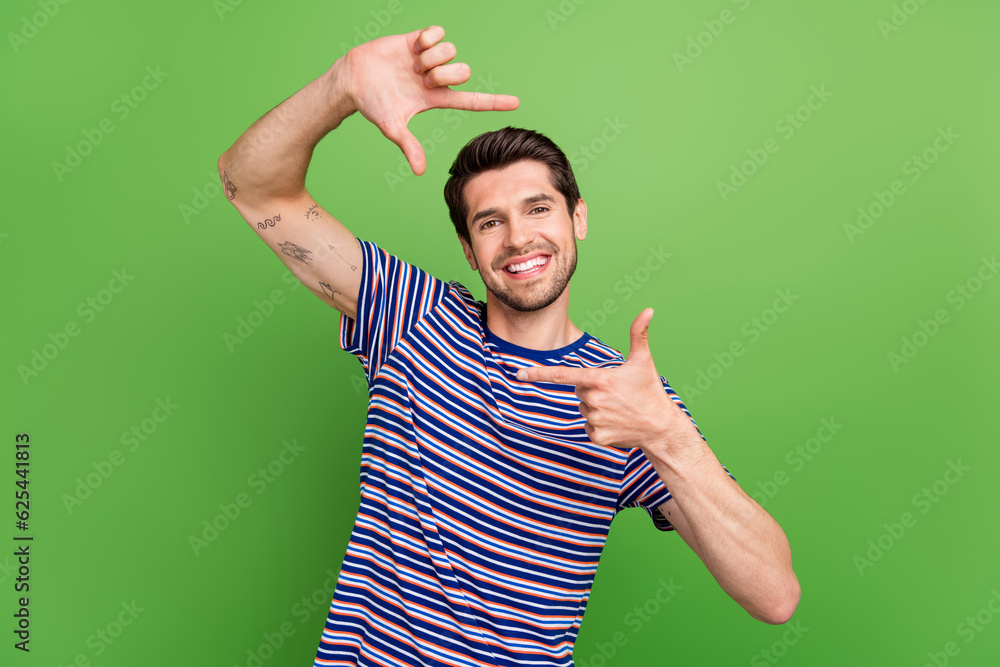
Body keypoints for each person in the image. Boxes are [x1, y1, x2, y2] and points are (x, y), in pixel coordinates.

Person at [219, 24, 800, 667]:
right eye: (490, 222)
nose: (519, 238)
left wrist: (666, 433)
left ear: (577, 217)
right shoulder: (407, 314)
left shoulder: (624, 397)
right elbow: (252, 185)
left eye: (539, 209)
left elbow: (774, 595)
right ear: (469, 249)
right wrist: (340, 86)